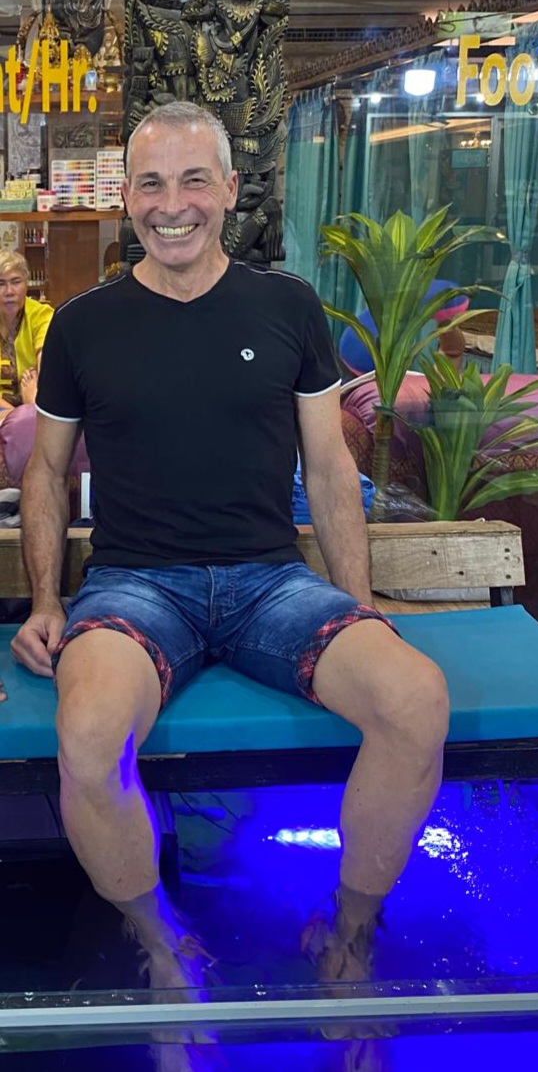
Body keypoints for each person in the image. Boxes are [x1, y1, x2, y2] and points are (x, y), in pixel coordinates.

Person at [11, 103, 449, 1011]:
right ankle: (161, 945)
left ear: (230, 190)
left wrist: (357, 599)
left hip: (269, 582)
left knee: (414, 700)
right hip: (135, 585)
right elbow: (47, 472)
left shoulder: (286, 306)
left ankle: (349, 931)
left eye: (193, 180)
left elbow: (328, 465)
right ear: (127, 197)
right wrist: (47, 600)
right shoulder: (83, 326)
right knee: (88, 736)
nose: (171, 205)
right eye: (151, 184)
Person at [0, 250, 53, 415]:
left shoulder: (41, 315)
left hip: (36, 400)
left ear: (26, 284)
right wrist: (16, 414)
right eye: (1, 284)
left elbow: (48, 368)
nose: (9, 291)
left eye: (16, 282)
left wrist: (32, 403)